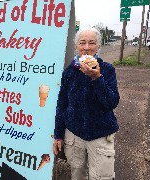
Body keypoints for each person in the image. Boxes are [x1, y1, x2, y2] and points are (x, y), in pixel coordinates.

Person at [53, 27, 120, 180]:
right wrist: (58, 135)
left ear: (98, 47)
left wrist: (97, 78)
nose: (87, 48)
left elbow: (112, 102)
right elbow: (62, 104)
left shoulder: (107, 70)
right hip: (74, 134)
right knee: (77, 174)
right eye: (82, 43)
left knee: (103, 177)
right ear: (76, 46)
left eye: (92, 43)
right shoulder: (69, 72)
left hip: (101, 134)